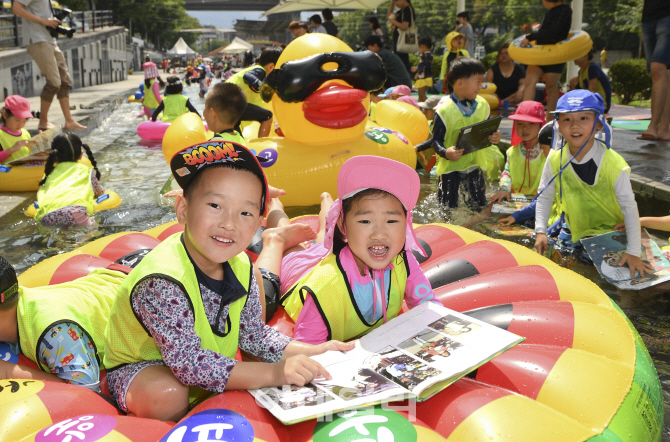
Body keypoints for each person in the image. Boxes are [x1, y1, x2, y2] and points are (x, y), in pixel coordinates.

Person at [103, 139, 352, 421]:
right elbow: (188, 365)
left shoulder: (242, 264)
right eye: (215, 205)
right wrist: (274, 373)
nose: (229, 223)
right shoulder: (161, 280)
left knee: (260, 351)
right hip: (141, 369)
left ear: (259, 221)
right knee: (168, 394)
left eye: (245, 212)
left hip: (204, 362)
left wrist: (317, 351)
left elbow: (252, 335)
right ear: (182, 208)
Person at [259, 156, 442, 344]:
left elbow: (429, 306)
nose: (380, 234)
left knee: (325, 238)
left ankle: (326, 202)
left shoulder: (403, 260)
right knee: (292, 248)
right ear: (343, 224)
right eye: (365, 221)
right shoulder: (323, 290)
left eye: (392, 221)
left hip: (339, 254)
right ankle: (276, 206)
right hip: (302, 272)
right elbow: (309, 352)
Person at [534, 90, 651, 278]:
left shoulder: (613, 164)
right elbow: (544, 196)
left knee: (624, 280)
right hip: (573, 231)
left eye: (583, 118)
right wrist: (540, 231)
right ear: (558, 125)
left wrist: (634, 252)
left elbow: (629, 207)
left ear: (598, 123)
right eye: (567, 120)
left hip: (609, 232)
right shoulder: (555, 159)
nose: (575, 126)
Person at [0, 257, 127, 390]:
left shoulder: (55, 333)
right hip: (109, 280)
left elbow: (84, 393)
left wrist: (8, 372)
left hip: (134, 292)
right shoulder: (16, 307)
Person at [432, 57, 502, 209]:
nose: (480, 85)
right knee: (448, 207)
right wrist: (445, 152)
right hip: (450, 169)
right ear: (460, 83)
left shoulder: (482, 105)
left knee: (479, 204)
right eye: (477, 81)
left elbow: (488, 131)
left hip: (474, 165)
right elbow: (435, 141)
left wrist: (494, 137)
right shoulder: (445, 110)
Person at [11, 0, 86, 131]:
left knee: (64, 81)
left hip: (49, 39)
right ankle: (43, 121)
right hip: (37, 39)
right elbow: (16, 9)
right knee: (54, 82)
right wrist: (43, 21)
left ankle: (69, 120)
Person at [491, 102, 552, 228]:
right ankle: (466, 227)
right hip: (518, 200)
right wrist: (504, 189)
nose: (524, 128)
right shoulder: (512, 152)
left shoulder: (548, 151)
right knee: (492, 212)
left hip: (540, 202)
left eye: (531, 123)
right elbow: (506, 172)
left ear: (541, 125)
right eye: (519, 124)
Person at [34, 133, 104, 226]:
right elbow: (99, 192)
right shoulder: (85, 170)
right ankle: (81, 241)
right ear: (81, 154)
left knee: (61, 237)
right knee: (92, 231)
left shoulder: (48, 173)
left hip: (48, 215)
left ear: (54, 155)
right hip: (75, 211)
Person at [520, 0, 572, 119]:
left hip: (555, 54)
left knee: (551, 87)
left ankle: (550, 120)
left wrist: (530, 36)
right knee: (529, 82)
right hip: (540, 52)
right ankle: (525, 115)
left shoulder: (565, 11)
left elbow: (553, 32)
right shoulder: (550, 12)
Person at [226, 46, 282, 138]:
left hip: (226, 106)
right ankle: (262, 144)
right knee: (267, 116)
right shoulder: (260, 70)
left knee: (236, 140)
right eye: (279, 71)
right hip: (229, 103)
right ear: (271, 67)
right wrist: (262, 87)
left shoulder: (260, 74)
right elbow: (248, 76)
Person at [638, 0, 670, 141]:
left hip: (667, 16)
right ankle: (663, 129)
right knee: (664, 74)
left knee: (658, 67)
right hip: (649, 17)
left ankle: (653, 125)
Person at [486, 43, 526, 107]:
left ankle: (503, 103)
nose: (503, 55)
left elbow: (523, 83)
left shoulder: (519, 68)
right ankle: (503, 103)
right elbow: (488, 87)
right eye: (501, 54)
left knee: (523, 92)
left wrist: (520, 90)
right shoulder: (492, 70)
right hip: (496, 98)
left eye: (506, 53)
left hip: (513, 98)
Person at [0, 96, 32, 165]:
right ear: (5, 115)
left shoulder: (25, 133)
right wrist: (12, 149)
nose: (21, 125)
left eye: (24, 121)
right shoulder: (1, 134)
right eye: (17, 120)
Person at [387, 0, 415, 75]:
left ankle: (405, 83)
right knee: (402, 62)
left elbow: (405, 26)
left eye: (397, 1)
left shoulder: (407, 9)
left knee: (402, 64)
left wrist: (393, 21)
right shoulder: (402, 10)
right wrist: (392, 3)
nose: (396, 3)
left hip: (402, 40)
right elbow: (389, 16)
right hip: (399, 40)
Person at [412, 36, 433, 103]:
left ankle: (432, 108)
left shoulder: (425, 55)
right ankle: (420, 109)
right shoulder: (429, 55)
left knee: (422, 95)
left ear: (422, 46)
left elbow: (425, 66)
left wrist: (418, 73)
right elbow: (423, 64)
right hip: (425, 77)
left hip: (424, 77)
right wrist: (417, 67)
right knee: (420, 95)